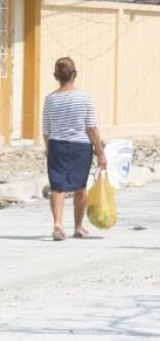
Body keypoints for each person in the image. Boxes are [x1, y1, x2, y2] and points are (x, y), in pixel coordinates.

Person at [42, 57, 107, 241]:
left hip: (57, 146)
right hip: (80, 147)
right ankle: (78, 227)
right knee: (80, 187)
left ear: (56, 76)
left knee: (57, 187)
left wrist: (48, 148)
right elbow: (91, 128)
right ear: (74, 74)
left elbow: (46, 129)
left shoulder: (50, 99)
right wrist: (100, 153)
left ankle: (58, 224)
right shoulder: (83, 98)